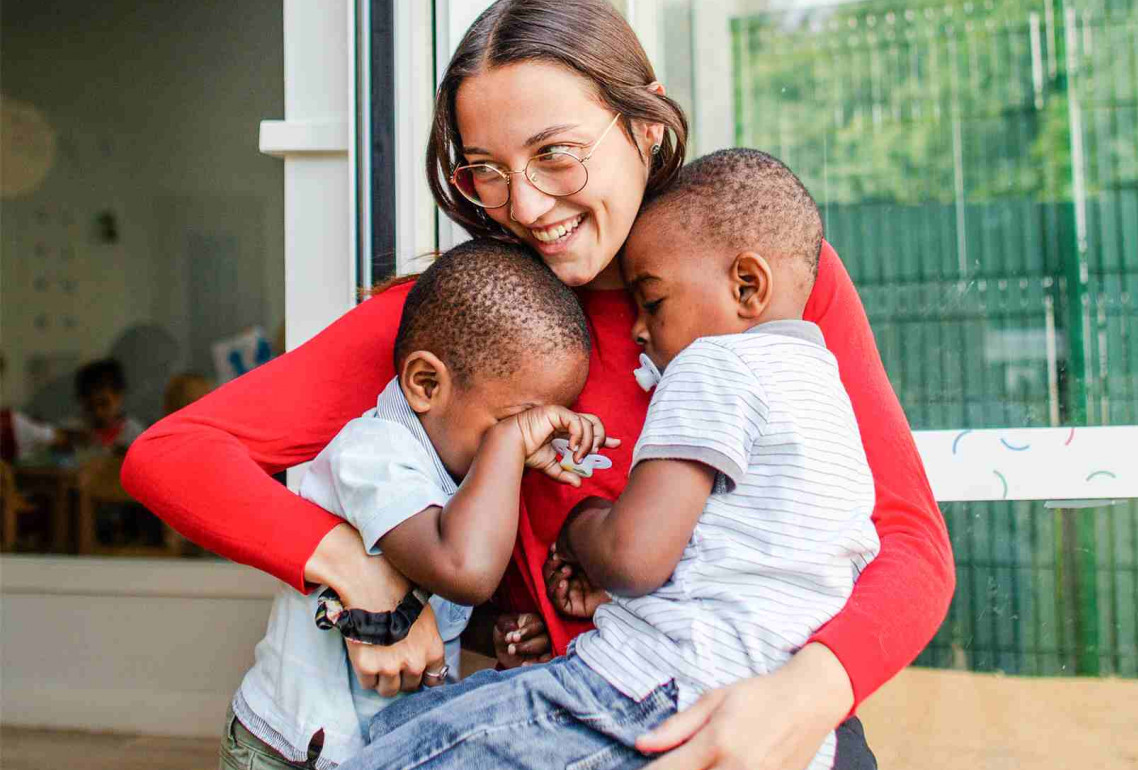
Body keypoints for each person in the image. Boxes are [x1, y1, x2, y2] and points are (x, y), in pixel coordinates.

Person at [123, 2, 954, 767]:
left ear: (645, 126)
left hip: (782, 721)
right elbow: (176, 455)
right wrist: (363, 573)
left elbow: (910, 544)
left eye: (554, 154)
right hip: (581, 724)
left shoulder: (754, 279)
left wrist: (800, 698)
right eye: (486, 169)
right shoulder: (470, 316)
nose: (523, 204)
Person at [339, 149, 879, 770]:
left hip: (652, 687)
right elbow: (749, 567)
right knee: (408, 729)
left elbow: (632, 559)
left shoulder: (712, 362)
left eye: (652, 302)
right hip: (773, 712)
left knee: (387, 754)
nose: (639, 331)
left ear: (747, 286)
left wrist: (581, 525)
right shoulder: (824, 388)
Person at [223, 240, 615, 769]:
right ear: (425, 383)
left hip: (381, 747)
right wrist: (507, 444)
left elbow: (444, 608)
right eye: (516, 421)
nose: (528, 442)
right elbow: (461, 570)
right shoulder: (373, 453)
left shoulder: (462, 474)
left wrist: (495, 634)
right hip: (290, 753)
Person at [74, 358, 144, 452]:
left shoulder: (135, 435)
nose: (98, 412)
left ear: (119, 396)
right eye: (90, 407)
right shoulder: (74, 432)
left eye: (104, 404)